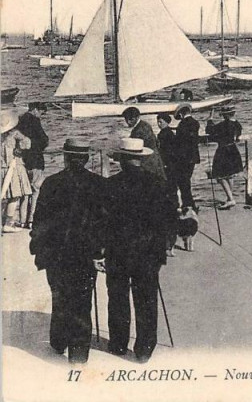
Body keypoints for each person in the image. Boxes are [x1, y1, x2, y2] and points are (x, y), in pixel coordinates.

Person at [28, 139, 106, 364]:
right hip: (85, 255)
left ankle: (59, 341)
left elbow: (39, 222)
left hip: (56, 255)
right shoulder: (99, 184)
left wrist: (40, 251)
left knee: (60, 298)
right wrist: (100, 252)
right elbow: (105, 224)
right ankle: (79, 356)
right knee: (82, 302)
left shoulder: (51, 183)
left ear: (65, 157)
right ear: (87, 158)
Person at [102, 138, 173, 362]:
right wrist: (165, 246)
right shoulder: (158, 183)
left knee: (118, 297)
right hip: (148, 251)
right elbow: (167, 219)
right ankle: (144, 349)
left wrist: (100, 248)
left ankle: (118, 344)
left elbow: (101, 221)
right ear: (141, 159)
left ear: (122, 160)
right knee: (146, 299)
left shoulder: (110, 185)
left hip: (118, 250)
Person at [16, 102, 49, 228]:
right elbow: (44, 140)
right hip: (36, 161)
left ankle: (22, 220)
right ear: (35, 109)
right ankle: (31, 220)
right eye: (41, 112)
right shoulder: (35, 120)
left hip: (23, 161)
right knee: (36, 191)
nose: (41, 115)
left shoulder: (20, 120)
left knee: (24, 192)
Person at [206, 105, 243, 209]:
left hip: (223, 150)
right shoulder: (237, 124)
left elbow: (210, 130)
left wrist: (210, 119)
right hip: (233, 150)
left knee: (219, 176)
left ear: (225, 115)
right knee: (230, 175)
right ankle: (229, 197)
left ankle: (231, 199)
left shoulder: (225, 124)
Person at [1, 109, 32, 233]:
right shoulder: (14, 133)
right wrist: (19, 149)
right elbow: (27, 143)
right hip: (12, 166)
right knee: (14, 195)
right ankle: (8, 222)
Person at [156, 113, 179, 256]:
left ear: (166, 122)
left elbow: (165, 152)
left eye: (161, 122)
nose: (159, 124)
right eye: (158, 122)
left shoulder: (165, 135)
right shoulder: (168, 133)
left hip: (167, 167)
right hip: (171, 167)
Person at [121, 107, 166, 181]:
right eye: (126, 119)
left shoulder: (139, 130)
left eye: (131, 119)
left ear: (137, 117)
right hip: (153, 161)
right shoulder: (144, 125)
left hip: (148, 164)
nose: (128, 122)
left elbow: (133, 149)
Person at [173, 104, 200, 212]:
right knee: (186, 181)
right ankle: (189, 205)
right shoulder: (195, 123)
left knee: (183, 182)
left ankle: (189, 205)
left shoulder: (182, 125)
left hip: (183, 158)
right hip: (193, 156)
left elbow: (179, 143)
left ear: (181, 114)